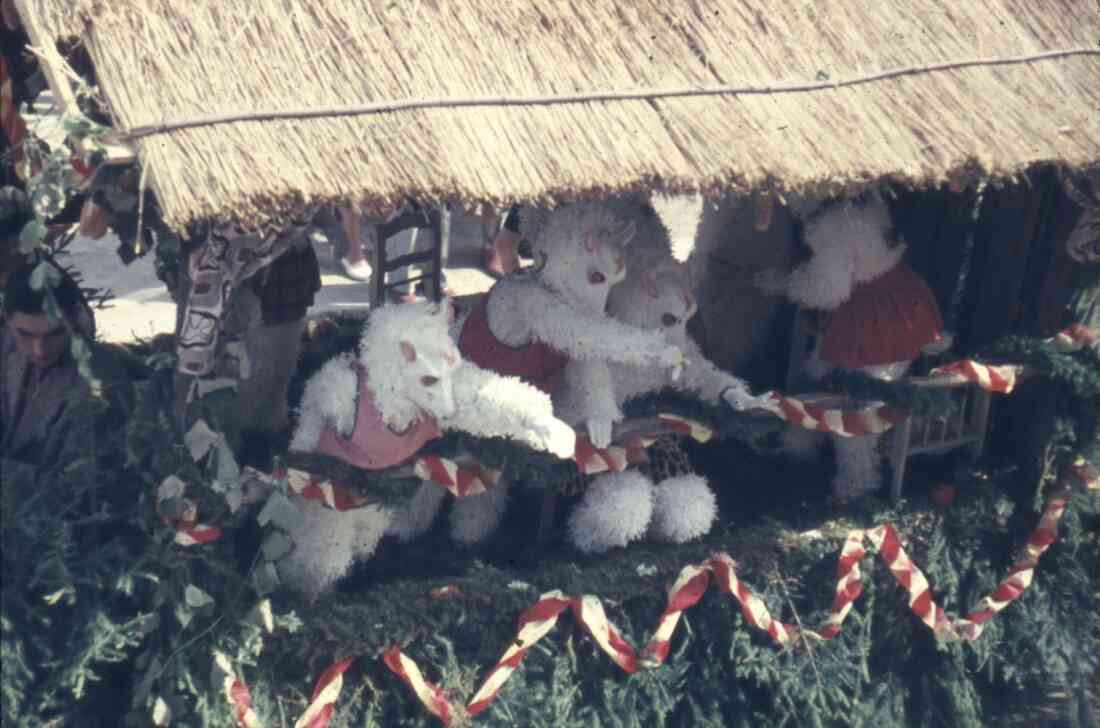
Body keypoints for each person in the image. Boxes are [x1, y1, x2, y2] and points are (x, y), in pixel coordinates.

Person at [1, 259, 129, 477]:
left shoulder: (99, 379)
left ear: (74, 318)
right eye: (26, 334)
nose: (40, 350)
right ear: (7, 321)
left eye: (54, 334)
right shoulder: (5, 343)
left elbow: (75, 486)